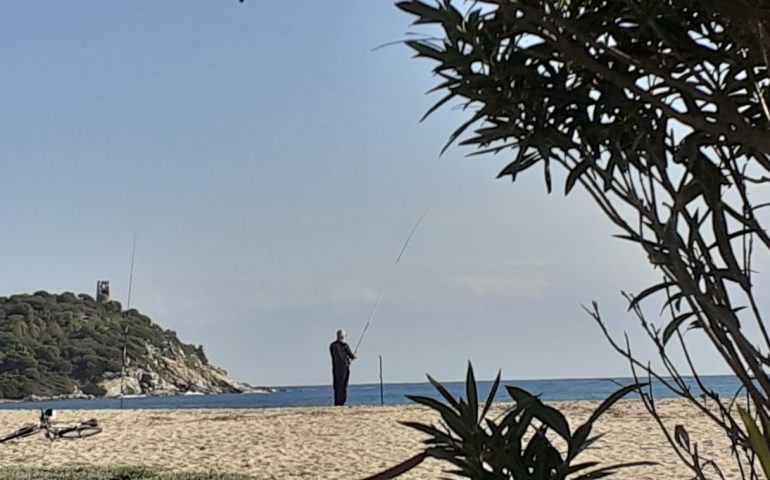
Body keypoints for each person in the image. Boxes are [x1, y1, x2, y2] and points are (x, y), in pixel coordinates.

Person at [330, 329, 356, 406]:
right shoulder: (345, 346)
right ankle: (341, 402)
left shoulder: (332, 345)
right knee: (343, 385)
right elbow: (352, 356)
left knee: (337, 385)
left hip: (336, 369)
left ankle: (337, 402)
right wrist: (353, 356)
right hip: (344, 368)